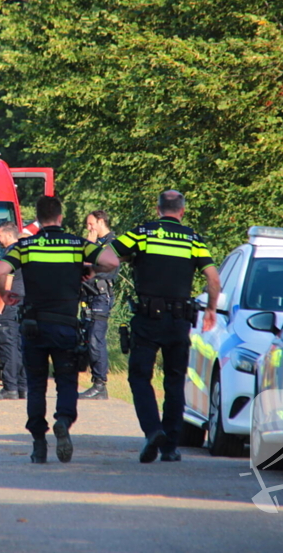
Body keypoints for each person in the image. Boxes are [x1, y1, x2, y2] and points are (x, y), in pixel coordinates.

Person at [0, 196, 120, 463]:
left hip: (33, 326)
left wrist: (4, 295)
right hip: (65, 326)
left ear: (38, 219)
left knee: (37, 385)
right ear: (60, 218)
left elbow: (0, 271)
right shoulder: (77, 244)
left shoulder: (25, 245)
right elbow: (113, 262)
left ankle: (39, 443)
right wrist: (90, 271)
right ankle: (63, 419)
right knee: (66, 381)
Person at [111, 190, 220, 463]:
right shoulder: (193, 239)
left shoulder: (142, 234)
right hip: (180, 320)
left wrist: (129, 259)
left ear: (158, 209)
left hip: (148, 319)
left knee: (140, 377)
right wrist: (211, 309)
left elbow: (108, 257)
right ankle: (170, 447)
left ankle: (152, 430)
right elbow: (213, 277)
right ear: (181, 211)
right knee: (174, 382)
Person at [79, 210, 119, 400]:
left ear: (101, 222)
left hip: (101, 297)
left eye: (91, 224)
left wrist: (91, 246)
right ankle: (96, 381)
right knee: (89, 340)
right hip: (89, 296)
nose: (88, 228)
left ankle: (100, 385)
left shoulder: (111, 244)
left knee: (96, 340)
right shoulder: (96, 244)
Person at [0, 221, 26, 400]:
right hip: (25, 301)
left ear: (8, 235)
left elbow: (6, 279)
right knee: (22, 346)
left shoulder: (11, 252)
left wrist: (0, 307)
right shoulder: (26, 250)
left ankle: (10, 387)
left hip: (11, 302)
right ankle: (23, 387)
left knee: (9, 346)